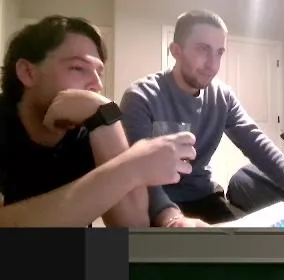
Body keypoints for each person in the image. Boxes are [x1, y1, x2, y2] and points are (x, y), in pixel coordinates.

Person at [0, 15, 199, 228]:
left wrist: (105, 116)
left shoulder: (88, 130)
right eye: (78, 68)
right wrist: (131, 167)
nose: (96, 85)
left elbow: (132, 228)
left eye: (99, 73)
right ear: (28, 73)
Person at [119, 10, 284, 224]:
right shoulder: (140, 97)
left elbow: (257, 144)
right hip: (154, 203)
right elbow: (139, 172)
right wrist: (170, 217)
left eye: (219, 52)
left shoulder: (222, 97)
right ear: (176, 51)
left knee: (238, 243)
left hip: (205, 197)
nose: (213, 65)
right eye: (203, 49)